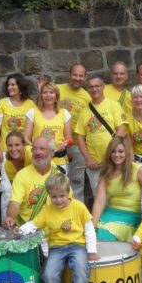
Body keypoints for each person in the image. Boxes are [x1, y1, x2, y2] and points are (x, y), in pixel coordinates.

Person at [19, 173, 98, 283]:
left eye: (62, 196)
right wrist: (20, 230)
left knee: (81, 268)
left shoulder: (79, 207)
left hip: (77, 246)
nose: (58, 200)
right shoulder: (47, 210)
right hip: (57, 247)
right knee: (49, 274)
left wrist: (92, 251)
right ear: (49, 195)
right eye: (54, 197)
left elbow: (89, 229)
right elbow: (33, 224)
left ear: (68, 192)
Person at [91, 136, 142, 242]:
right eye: (113, 151)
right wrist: (92, 226)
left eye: (121, 151)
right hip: (110, 213)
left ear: (126, 152)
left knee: (106, 235)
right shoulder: (105, 173)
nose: (117, 155)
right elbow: (99, 202)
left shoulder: (137, 169)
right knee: (94, 234)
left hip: (131, 215)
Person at [75, 74, 128, 196]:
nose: (94, 89)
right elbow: (80, 138)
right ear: (87, 90)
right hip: (95, 165)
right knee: (99, 196)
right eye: (91, 87)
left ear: (103, 87)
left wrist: (111, 155)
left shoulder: (114, 105)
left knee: (117, 196)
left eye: (97, 86)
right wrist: (88, 159)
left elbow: (122, 130)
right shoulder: (84, 112)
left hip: (114, 161)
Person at [3, 136, 61, 228]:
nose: (38, 152)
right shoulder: (21, 175)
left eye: (42, 149)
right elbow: (15, 202)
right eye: (35, 149)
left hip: (52, 230)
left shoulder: (58, 176)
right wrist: (10, 217)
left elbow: (68, 202)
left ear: (52, 153)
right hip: (27, 230)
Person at [57, 64, 92, 201]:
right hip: (57, 144)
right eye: (75, 75)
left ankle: (77, 214)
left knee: (77, 181)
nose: (77, 78)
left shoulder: (87, 97)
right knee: (56, 180)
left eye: (80, 75)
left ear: (85, 77)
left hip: (77, 145)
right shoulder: (58, 89)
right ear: (69, 74)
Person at [24, 81, 71, 171]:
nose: (48, 95)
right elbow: (26, 137)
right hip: (38, 160)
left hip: (59, 160)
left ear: (56, 96)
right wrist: (36, 149)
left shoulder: (65, 113)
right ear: (41, 96)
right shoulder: (32, 112)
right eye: (45, 92)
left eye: (51, 92)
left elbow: (68, 138)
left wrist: (61, 147)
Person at [0, 73, 35, 164]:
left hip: (25, 149)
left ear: (20, 86)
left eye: (13, 84)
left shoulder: (30, 104)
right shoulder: (2, 103)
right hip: (6, 149)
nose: (9, 87)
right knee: (5, 178)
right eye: (8, 85)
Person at [0, 131, 32, 221]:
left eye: (17, 145)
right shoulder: (8, 165)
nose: (13, 149)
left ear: (24, 145)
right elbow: (16, 189)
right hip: (25, 191)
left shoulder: (30, 153)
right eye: (10, 145)